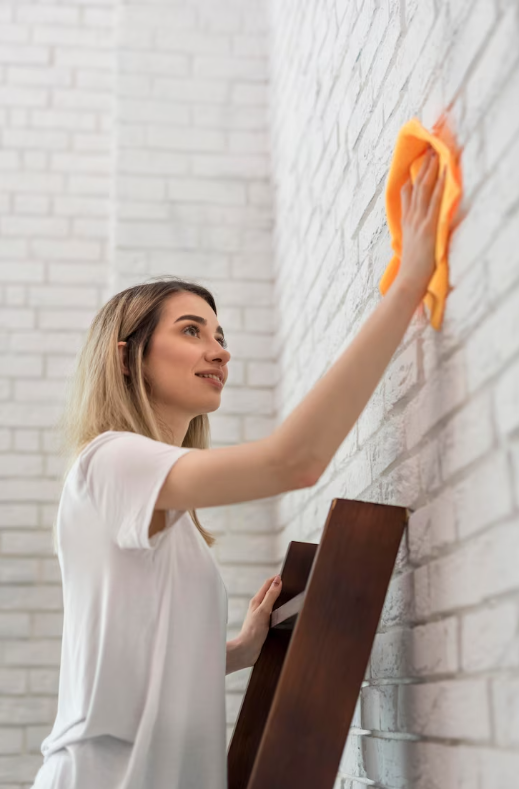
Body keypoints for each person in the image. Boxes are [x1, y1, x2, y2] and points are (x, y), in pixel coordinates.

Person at [31, 148, 445, 788]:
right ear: (126, 358)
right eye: (192, 331)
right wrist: (409, 281)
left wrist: (237, 652)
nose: (218, 351)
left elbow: (136, 659)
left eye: (220, 335)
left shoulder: (154, 495)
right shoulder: (111, 461)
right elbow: (295, 461)